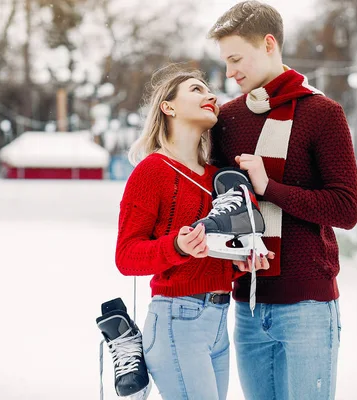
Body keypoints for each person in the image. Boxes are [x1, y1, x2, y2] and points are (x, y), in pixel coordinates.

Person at [207, 2, 357, 399]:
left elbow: (346, 208)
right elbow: (222, 205)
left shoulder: (323, 114)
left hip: (306, 305)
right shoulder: (228, 119)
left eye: (236, 58)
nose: (230, 72)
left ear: (270, 44)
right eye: (225, 62)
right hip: (248, 303)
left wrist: (269, 186)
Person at [115, 66, 247, 400]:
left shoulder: (220, 177)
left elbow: (217, 250)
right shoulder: (152, 171)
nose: (210, 97)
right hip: (177, 321)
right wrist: (176, 246)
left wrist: (240, 260)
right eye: (196, 90)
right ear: (168, 107)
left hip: (220, 321)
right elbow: (126, 256)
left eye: (210, 92)